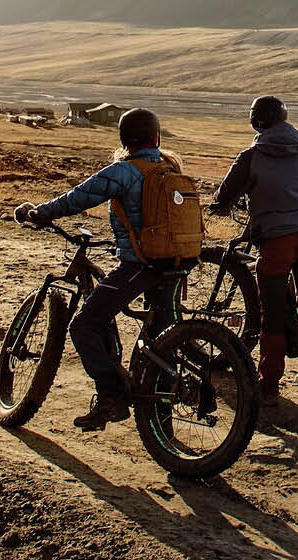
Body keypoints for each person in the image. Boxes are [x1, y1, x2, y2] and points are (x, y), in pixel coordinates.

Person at [13, 107, 185, 432]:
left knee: (84, 326)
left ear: (124, 140)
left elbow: (79, 197)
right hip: (178, 264)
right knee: (162, 338)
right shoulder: (170, 168)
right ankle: (164, 434)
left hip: (143, 265)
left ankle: (112, 397)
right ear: (156, 137)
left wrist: (40, 213)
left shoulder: (124, 171)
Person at [210, 95, 298, 409]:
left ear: (257, 121)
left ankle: (268, 384)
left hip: (277, 238)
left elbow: (227, 191)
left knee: (270, 313)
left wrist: (220, 203)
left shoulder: (253, 154)